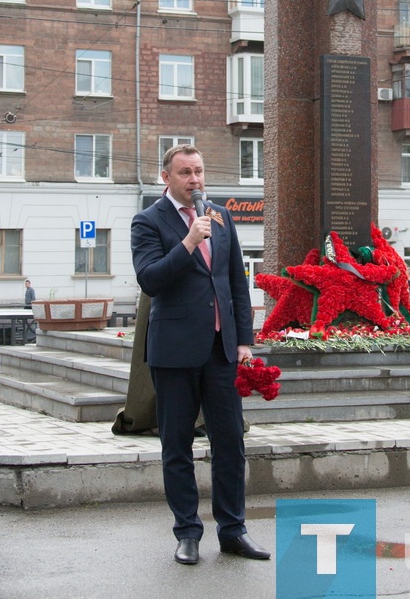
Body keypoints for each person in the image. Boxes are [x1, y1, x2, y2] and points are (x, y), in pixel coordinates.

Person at [130, 144, 269, 566]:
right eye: (186, 172)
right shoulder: (147, 221)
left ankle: (233, 530)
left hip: (221, 349)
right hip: (174, 352)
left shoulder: (222, 217)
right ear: (166, 177)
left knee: (230, 443)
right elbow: (150, 280)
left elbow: (235, 284)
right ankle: (187, 532)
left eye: (199, 171)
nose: (195, 180)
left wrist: (244, 339)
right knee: (177, 445)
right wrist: (189, 241)